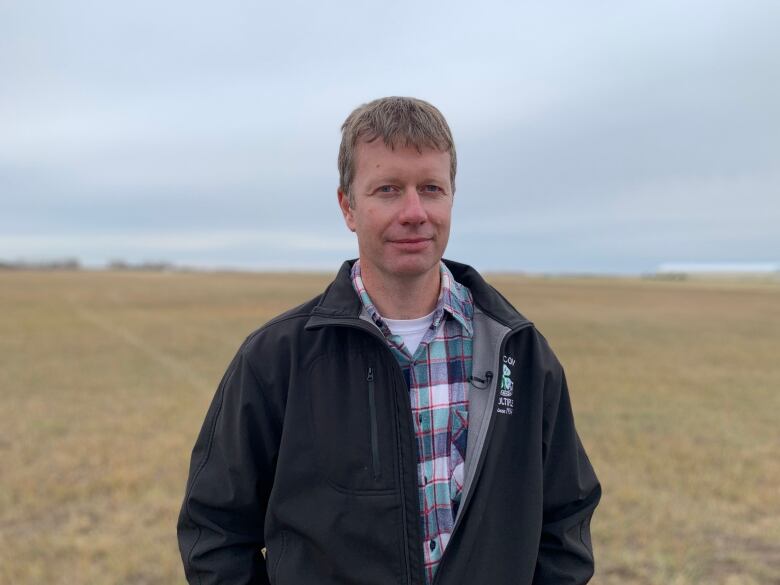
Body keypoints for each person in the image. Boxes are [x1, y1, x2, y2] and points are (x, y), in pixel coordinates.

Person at [177, 96, 601, 585]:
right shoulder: (276, 359)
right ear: (348, 207)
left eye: (431, 188)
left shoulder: (519, 353)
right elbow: (215, 531)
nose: (414, 212)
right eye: (388, 189)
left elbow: (566, 521)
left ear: (452, 198)